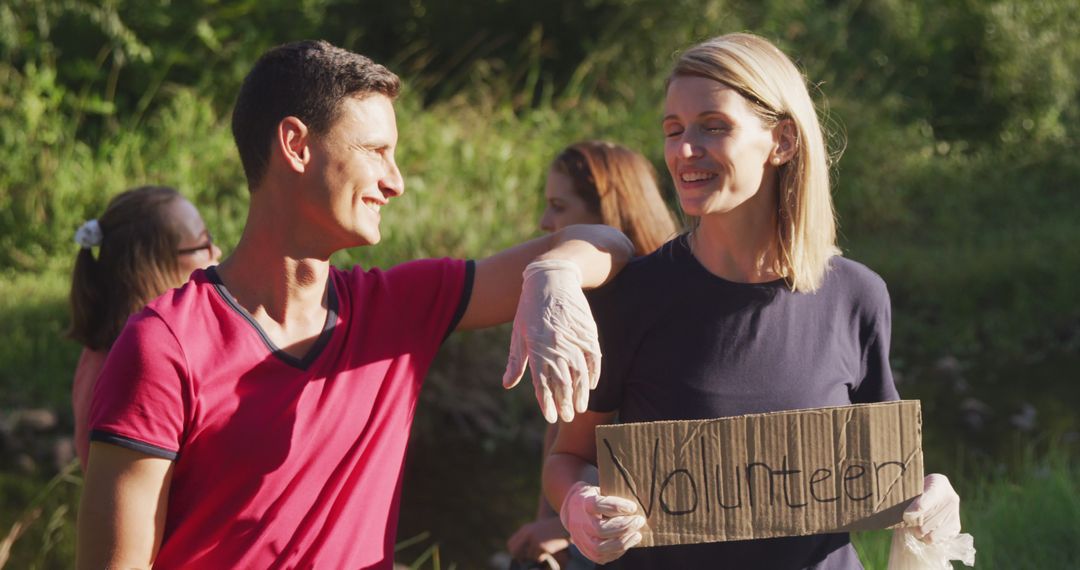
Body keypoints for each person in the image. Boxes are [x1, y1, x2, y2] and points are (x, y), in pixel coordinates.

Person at [76, 41, 633, 569]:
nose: (396, 182)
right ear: (296, 145)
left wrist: (553, 275)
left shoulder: (397, 310)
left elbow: (609, 241)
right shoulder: (163, 345)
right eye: (376, 152)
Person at [543, 33, 963, 568]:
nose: (684, 150)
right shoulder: (633, 297)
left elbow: (886, 469)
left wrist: (934, 490)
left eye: (713, 126)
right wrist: (578, 502)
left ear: (783, 140)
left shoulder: (857, 295)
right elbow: (568, 458)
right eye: (674, 130)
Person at [508, 141, 677, 569]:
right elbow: (563, 436)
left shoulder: (642, 308)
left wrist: (558, 529)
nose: (546, 222)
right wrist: (552, 523)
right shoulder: (575, 300)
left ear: (607, 213)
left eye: (559, 206)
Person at [68, 185, 222, 471]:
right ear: (152, 266)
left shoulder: (102, 351)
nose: (218, 251)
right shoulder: (136, 370)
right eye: (204, 244)